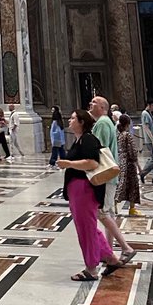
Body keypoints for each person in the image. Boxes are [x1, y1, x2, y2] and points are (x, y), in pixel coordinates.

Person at [57, 109, 122, 281]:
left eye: (72, 118)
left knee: (86, 230)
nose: (69, 121)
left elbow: (92, 163)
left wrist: (68, 163)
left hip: (85, 190)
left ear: (82, 122)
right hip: (77, 190)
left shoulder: (88, 139)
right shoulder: (78, 140)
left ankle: (91, 269)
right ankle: (111, 258)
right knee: (90, 227)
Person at [89, 96, 136, 263]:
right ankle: (108, 251)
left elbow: (96, 148)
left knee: (102, 212)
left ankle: (125, 247)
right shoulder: (106, 121)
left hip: (105, 173)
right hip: (109, 173)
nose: (90, 104)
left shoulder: (102, 123)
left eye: (94, 102)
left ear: (103, 107)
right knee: (107, 212)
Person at [114, 114, 141, 216]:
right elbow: (132, 150)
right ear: (128, 123)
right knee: (133, 185)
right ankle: (132, 208)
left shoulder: (119, 135)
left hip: (121, 161)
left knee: (122, 183)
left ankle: (115, 202)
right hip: (129, 163)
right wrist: (136, 162)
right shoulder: (128, 135)